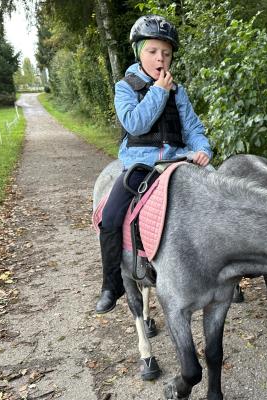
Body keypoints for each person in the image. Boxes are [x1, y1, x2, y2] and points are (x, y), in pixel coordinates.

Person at [95, 15, 212, 314]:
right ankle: (112, 283)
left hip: (179, 160)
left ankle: (219, 269)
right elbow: (135, 123)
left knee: (218, 192)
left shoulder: (179, 90)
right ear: (139, 52)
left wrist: (202, 150)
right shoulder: (126, 87)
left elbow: (194, 128)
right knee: (110, 216)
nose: (161, 58)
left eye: (167, 53)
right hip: (141, 166)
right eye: (152, 51)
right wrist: (158, 91)